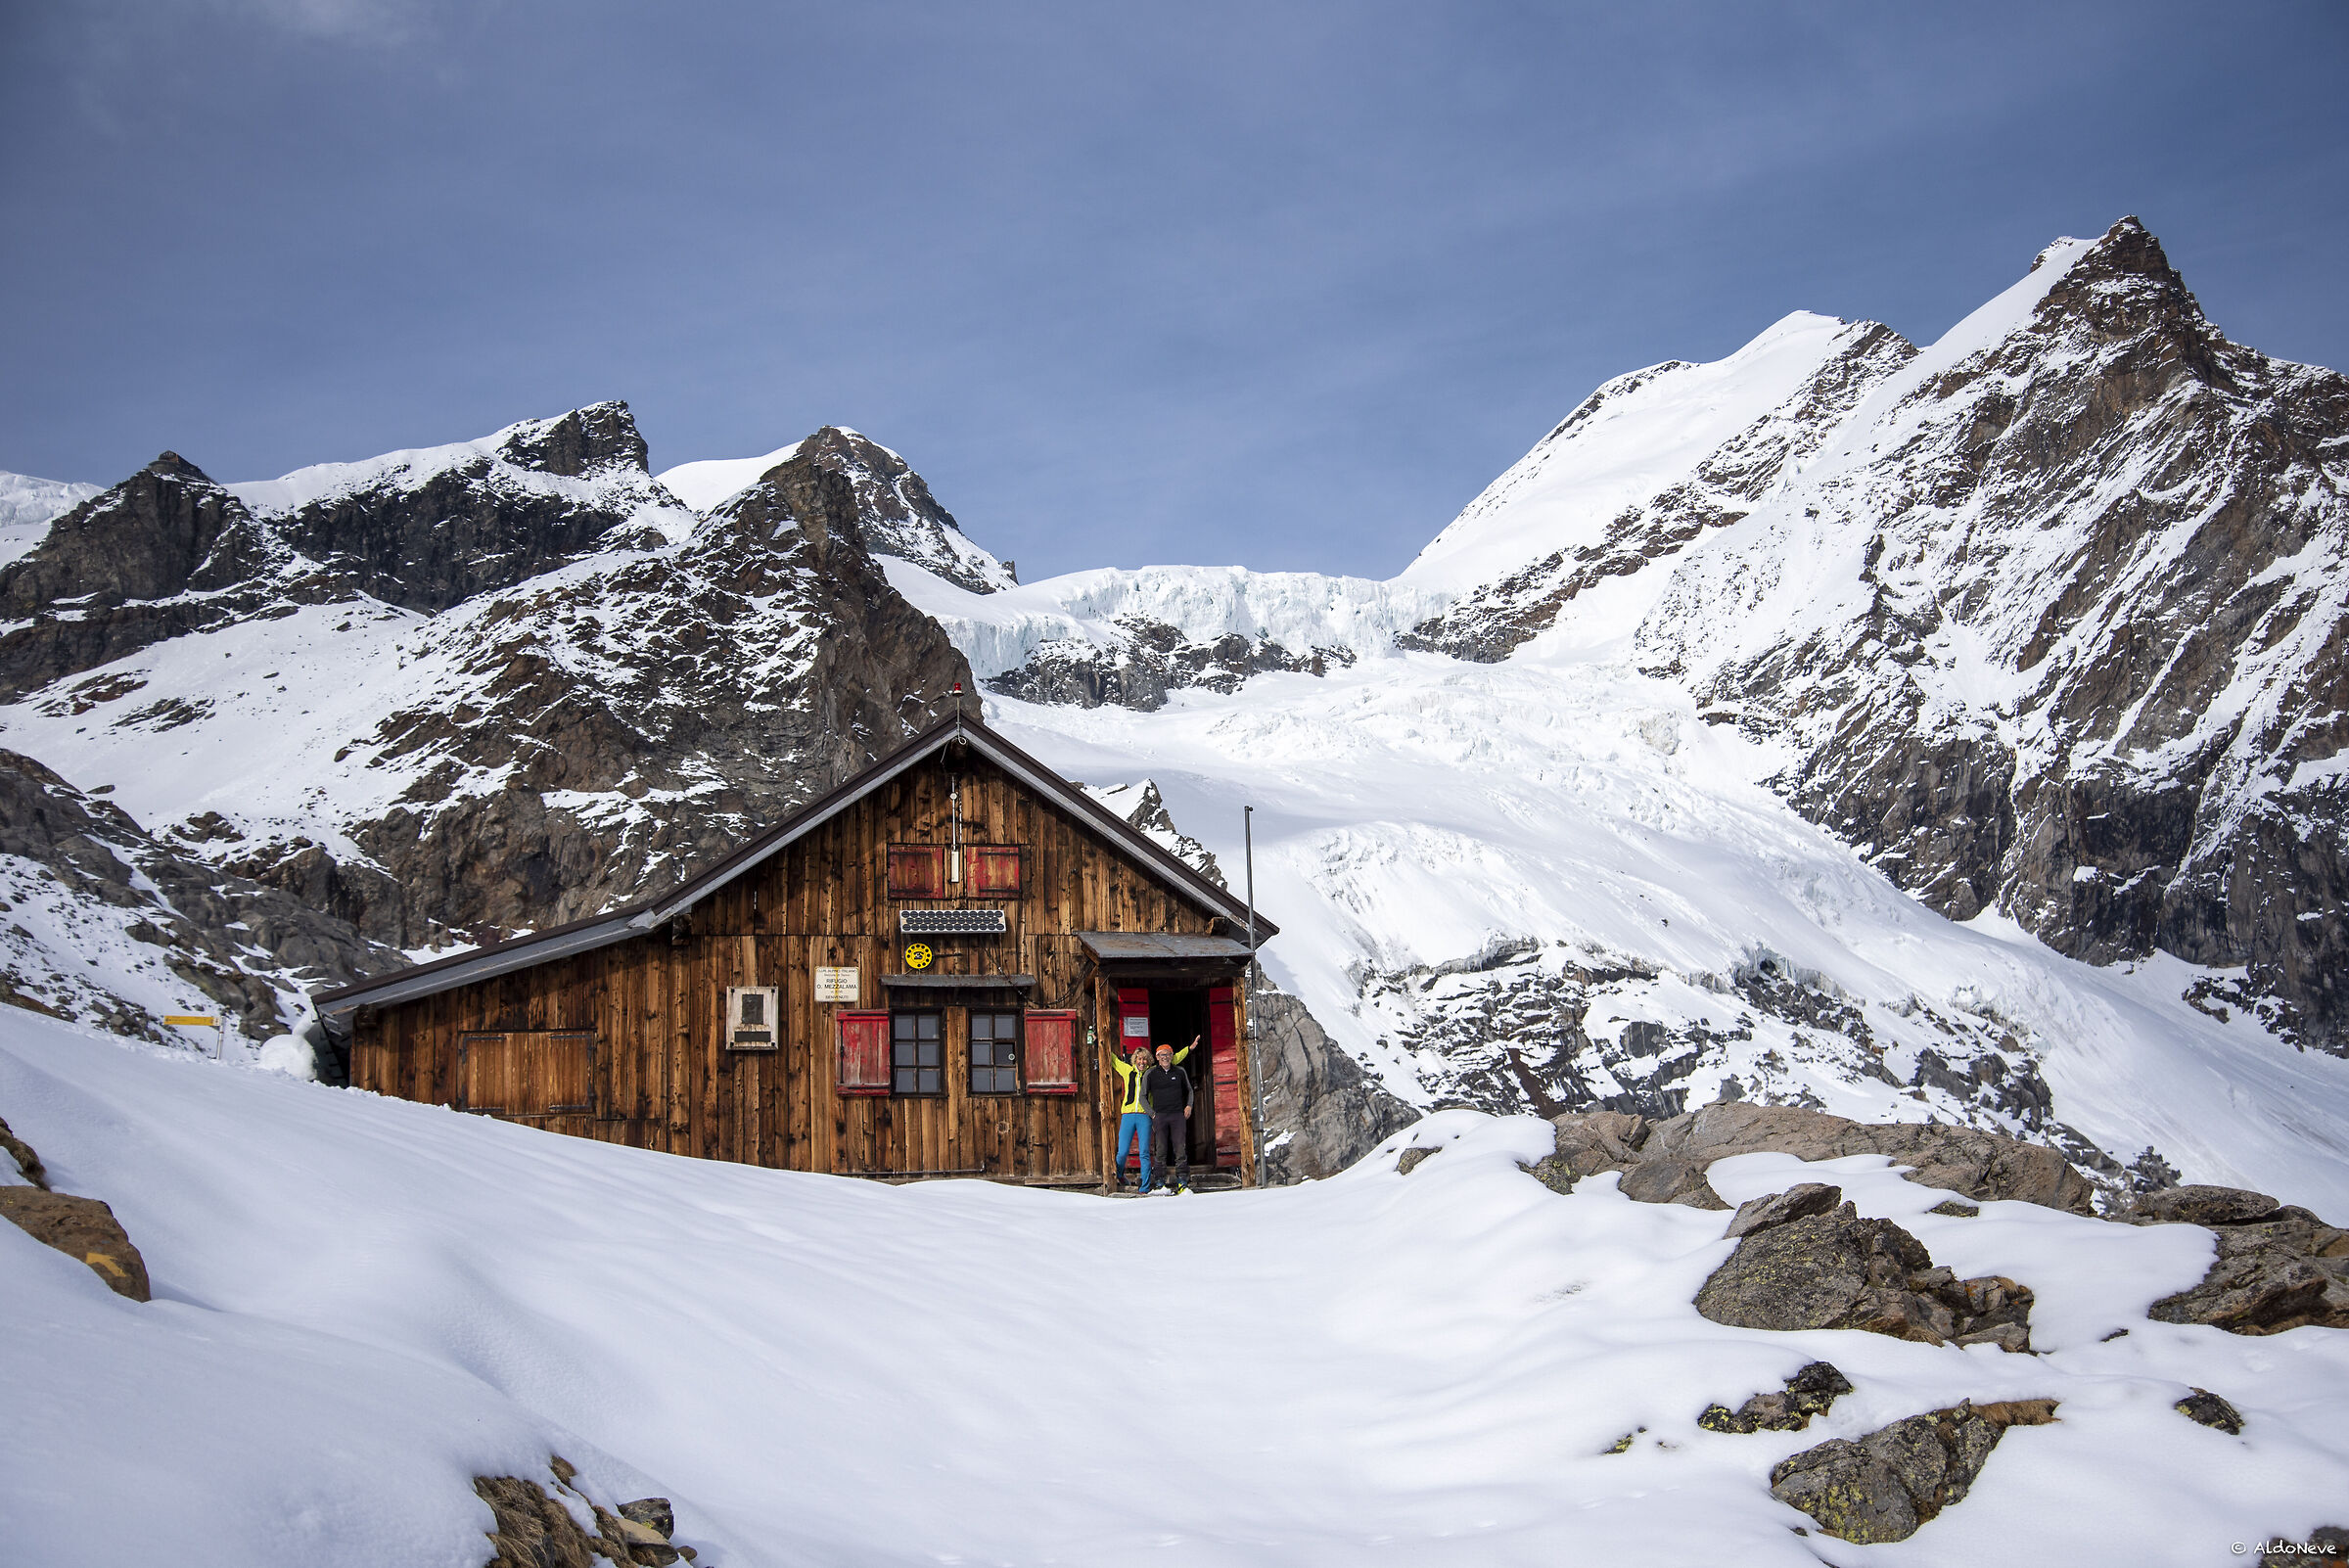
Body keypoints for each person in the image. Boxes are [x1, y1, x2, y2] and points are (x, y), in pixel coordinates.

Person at [1141, 1037, 1200, 1195]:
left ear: (1172, 1056)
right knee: (1160, 1149)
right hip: (1159, 1116)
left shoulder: (1179, 1071)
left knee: (1180, 1148)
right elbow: (1142, 1096)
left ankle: (1182, 1181)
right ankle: (1159, 1182)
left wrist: (1189, 1105)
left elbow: (1189, 1090)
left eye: (1168, 1054)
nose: (1165, 1057)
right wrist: (1152, 1114)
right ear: (1157, 1057)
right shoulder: (1151, 1073)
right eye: (1162, 1055)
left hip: (1177, 1115)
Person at [1107, 1042, 1155, 1192]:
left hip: (1144, 1116)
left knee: (1144, 1152)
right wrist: (1097, 1042)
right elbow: (1113, 1059)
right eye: (1139, 1059)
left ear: (1148, 1061)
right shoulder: (1127, 1071)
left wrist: (1189, 1049)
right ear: (1135, 1060)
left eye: (1145, 1059)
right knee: (1122, 1151)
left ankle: (1144, 1187)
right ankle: (1120, 1174)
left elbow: (1170, 1060)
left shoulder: (1152, 1073)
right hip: (1128, 1115)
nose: (1142, 1062)